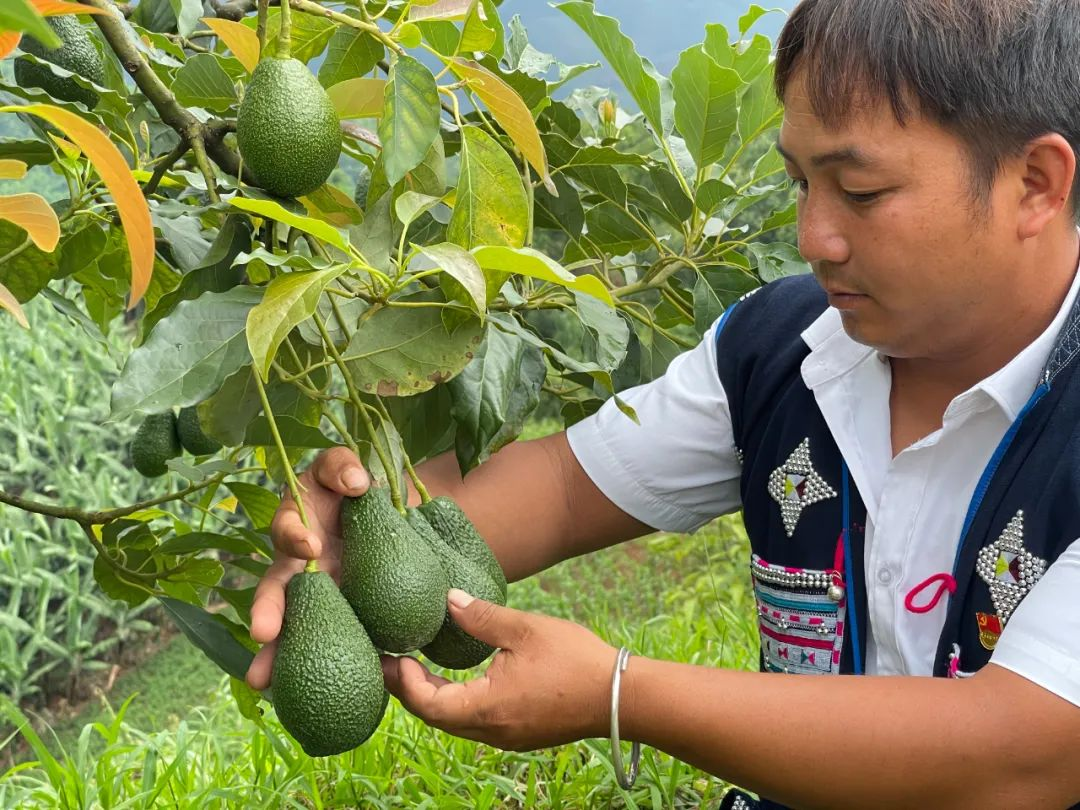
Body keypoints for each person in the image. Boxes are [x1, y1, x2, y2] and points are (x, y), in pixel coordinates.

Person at [246, 0, 1080, 806]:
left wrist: (618, 695)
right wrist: (354, 539)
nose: (812, 237)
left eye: (859, 192)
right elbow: (569, 490)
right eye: (796, 183)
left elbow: (1022, 751)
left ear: (1036, 184)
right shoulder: (781, 350)